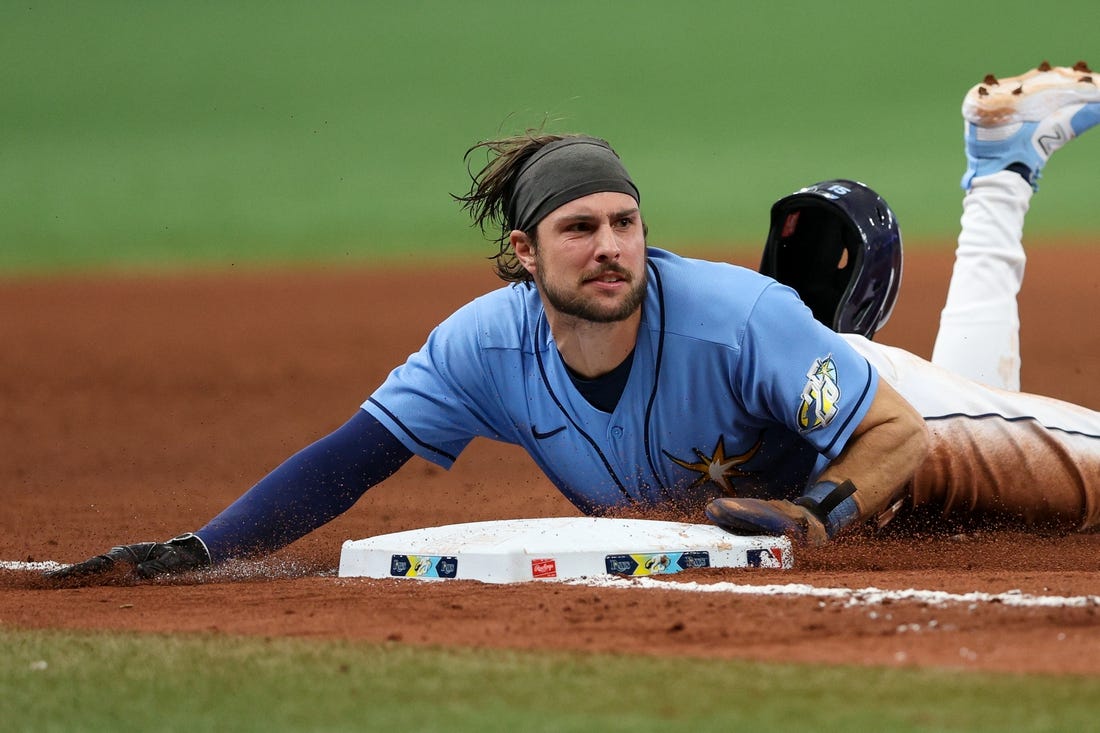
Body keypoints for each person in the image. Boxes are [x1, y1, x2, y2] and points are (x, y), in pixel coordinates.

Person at [48, 61, 1100, 582]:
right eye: (579, 227)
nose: (608, 245)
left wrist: (811, 513)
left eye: (624, 222)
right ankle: (999, 170)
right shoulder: (481, 347)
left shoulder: (730, 316)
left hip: (906, 432)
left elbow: (896, 434)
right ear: (524, 254)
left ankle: (998, 174)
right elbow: (349, 457)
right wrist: (204, 549)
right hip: (838, 425)